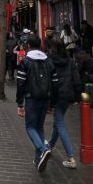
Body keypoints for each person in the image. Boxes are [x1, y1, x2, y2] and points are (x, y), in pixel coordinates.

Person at [16, 34, 58, 172]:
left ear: (28, 45)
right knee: (39, 127)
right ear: (40, 45)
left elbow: (20, 83)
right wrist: (52, 103)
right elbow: (55, 83)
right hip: (45, 98)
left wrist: (20, 104)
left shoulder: (25, 62)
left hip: (31, 98)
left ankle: (42, 149)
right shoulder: (49, 62)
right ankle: (38, 158)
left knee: (30, 127)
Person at [48, 38, 82, 169]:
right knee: (58, 121)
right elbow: (76, 80)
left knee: (60, 123)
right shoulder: (70, 61)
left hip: (56, 95)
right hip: (67, 96)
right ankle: (50, 145)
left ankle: (71, 157)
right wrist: (78, 96)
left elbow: (49, 81)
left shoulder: (50, 61)